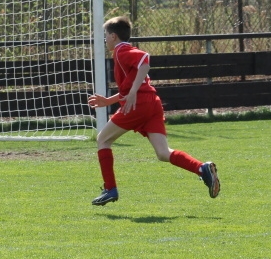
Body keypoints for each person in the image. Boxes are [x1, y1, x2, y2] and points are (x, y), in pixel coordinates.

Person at [87, 15, 221, 206]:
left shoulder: (121, 50)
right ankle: (202, 168)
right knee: (163, 153)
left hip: (139, 104)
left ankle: (110, 189)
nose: (105, 39)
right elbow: (135, 82)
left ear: (114, 36)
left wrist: (132, 93)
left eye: (106, 35)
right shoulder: (122, 52)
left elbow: (145, 59)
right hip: (152, 102)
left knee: (103, 139)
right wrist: (110, 100)